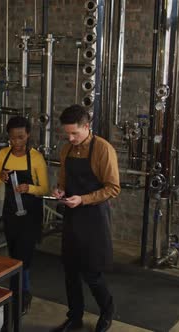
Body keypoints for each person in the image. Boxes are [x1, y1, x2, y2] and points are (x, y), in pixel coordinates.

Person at [51, 105, 120, 332]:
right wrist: (59, 190)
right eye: (67, 134)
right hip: (72, 216)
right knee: (70, 270)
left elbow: (113, 188)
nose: (70, 138)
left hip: (93, 217)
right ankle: (75, 316)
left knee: (92, 272)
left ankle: (107, 312)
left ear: (87, 127)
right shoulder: (67, 150)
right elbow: (62, 179)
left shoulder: (103, 149)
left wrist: (83, 199)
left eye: (75, 134)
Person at [0, 116, 49, 314]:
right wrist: (0, 177)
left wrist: (29, 187)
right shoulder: (3, 155)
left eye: (21, 138)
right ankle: (23, 291)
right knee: (14, 256)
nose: (17, 143)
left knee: (23, 256)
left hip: (30, 215)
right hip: (11, 213)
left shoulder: (37, 158)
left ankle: (17, 295)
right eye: (13, 138)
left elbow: (45, 189)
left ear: (28, 135)